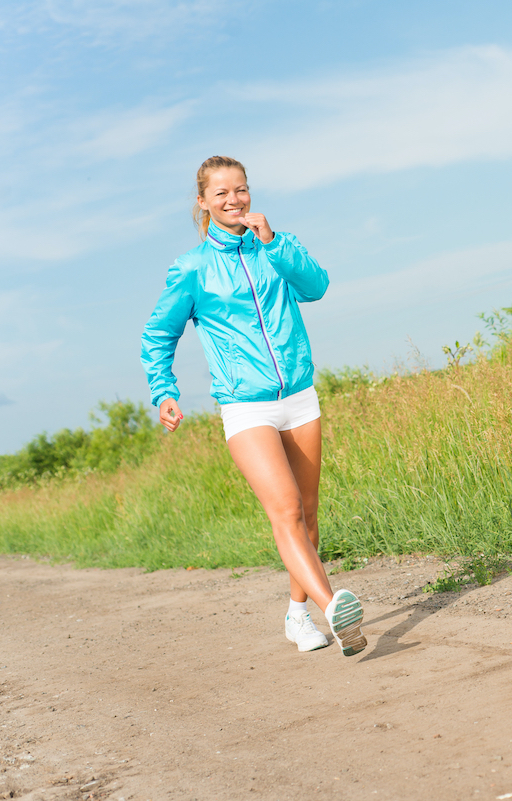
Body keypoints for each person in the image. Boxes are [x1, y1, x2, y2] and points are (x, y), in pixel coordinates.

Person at [141, 155, 366, 657]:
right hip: (246, 407)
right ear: (203, 202)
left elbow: (317, 287)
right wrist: (165, 389)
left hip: (300, 397)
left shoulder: (276, 246)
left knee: (308, 517)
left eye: (240, 189)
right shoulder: (192, 268)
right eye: (221, 193)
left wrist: (274, 243)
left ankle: (296, 613)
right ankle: (335, 609)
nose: (234, 200)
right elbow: (159, 333)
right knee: (285, 511)